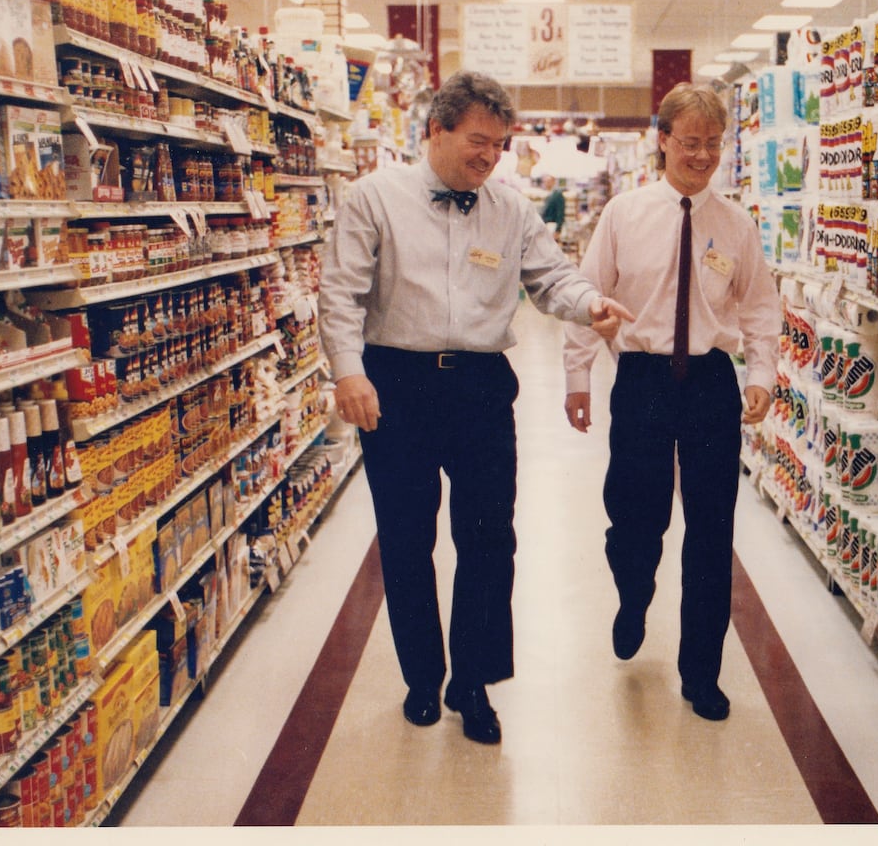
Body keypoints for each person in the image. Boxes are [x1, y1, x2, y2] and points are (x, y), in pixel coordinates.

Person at [319, 70, 635, 745]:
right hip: (395, 385)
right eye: (477, 142)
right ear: (436, 130)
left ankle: (474, 682)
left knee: (490, 539)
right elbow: (340, 293)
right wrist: (348, 372)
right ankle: (421, 680)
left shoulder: (512, 209)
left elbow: (552, 277)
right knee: (408, 539)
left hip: (482, 389)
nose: (490, 157)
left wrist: (590, 304)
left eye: (499, 145)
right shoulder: (373, 198)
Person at [562, 83, 779, 721]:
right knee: (635, 521)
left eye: (713, 144)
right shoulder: (625, 215)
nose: (703, 156)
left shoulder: (737, 225)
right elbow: (587, 294)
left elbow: (762, 308)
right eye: (690, 143)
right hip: (643, 381)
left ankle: (701, 674)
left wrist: (762, 373)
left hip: (711, 382)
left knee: (712, 534)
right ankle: (633, 595)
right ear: (663, 141)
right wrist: (577, 378)